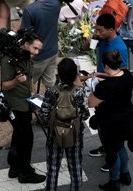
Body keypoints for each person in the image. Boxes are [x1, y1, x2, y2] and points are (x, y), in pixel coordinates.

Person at [88, 50, 133, 191]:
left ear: (106, 66)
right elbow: (115, 77)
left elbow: (91, 103)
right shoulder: (127, 75)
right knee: (120, 147)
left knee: (112, 152)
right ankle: (125, 175)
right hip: (127, 118)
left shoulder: (105, 87)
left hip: (111, 122)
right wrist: (101, 75)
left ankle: (114, 182)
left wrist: (91, 86)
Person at [0, 31, 46, 184]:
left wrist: (32, 95)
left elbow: (29, 78)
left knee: (19, 136)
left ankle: (14, 167)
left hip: (26, 103)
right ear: (26, 44)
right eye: (35, 48)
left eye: (38, 49)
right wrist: (16, 81)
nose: (36, 52)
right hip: (17, 106)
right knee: (26, 139)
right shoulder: (9, 60)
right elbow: (5, 85)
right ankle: (25, 172)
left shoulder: (25, 58)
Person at [41, 58, 89, 191]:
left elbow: (44, 113)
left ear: (59, 74)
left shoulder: (52, 91)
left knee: (53, 168)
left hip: (55, 134)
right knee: (75, 166)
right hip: (74, 134)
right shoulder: (79, 91)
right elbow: (85, 114)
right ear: (74, 74)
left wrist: (50, 125)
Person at [87, 14, 130, 162]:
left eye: (100, 30)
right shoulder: (102, 39)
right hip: (102, 85)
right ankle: (106, 148)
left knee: (111, 129)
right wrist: (91, 39)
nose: (98, 33)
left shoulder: (120, 48)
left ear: (111, 29)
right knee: (103, 124)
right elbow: (88, 48)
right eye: (96, 29)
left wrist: (101, 77)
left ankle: (113, 160)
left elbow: (121, 73)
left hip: (111, 92)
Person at [21, 0, 61, 91]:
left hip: (38, 56)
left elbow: (25, 34)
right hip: (53, 50)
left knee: (27, 85)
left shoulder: (30, 10)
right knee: (50, 84)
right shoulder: (56, 2)